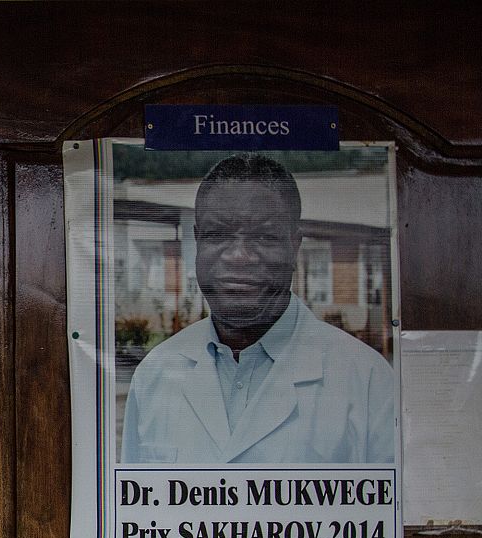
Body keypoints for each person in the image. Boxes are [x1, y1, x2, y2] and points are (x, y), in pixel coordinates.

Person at [120, 154, 395, 464]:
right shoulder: (155, 374)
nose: (239, 256)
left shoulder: (368, 382)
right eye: (218, 234)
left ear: (294, 247)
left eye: (264, 236)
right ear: (197, 242)